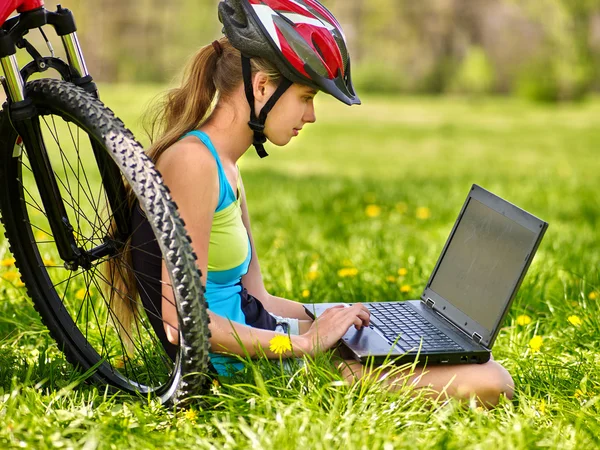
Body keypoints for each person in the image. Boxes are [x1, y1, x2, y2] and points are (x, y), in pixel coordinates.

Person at [128, 0, 514, 407]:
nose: (310, 115)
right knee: (492, 380)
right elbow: (182, 322)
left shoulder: (224, 165)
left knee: (473, 366)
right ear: (261, 87)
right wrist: (308, 344)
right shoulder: (194, 162)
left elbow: (255, 297)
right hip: (250, 371)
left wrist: (339, 318)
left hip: (270, 344)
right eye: (306, 96)